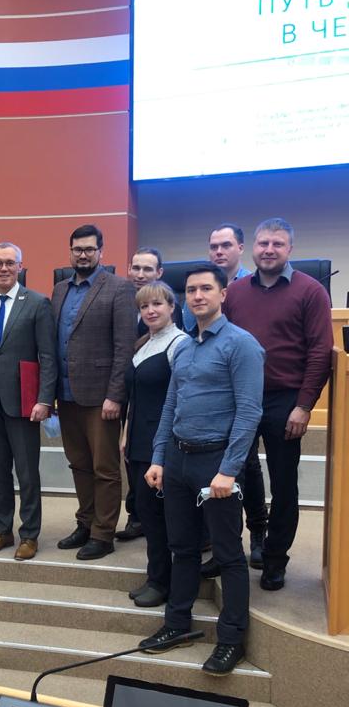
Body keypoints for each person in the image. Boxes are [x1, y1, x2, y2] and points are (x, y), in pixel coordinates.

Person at [139, 265, 264, 675]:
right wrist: (159, 457)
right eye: (191, 290)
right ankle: (178, 624)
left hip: (217, 464)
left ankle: (231, 640)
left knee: (228, 554)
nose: (197, 296)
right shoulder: (184, 348)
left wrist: (229, 470)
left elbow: (249, 413)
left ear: (223, 294)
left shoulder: (241, 345)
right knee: (182, 548)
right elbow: (170, 407)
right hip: (178, 460)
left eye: (206, 288)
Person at [224, 218, 333, 591]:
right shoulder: (235, 293)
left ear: (290, 249)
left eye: (278, 244)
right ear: (253, 247)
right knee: (231, 474)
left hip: (285, 401)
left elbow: (320, 352)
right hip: (239, 397)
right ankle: (229, 551)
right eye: (263, 243)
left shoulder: (310, 291)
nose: (269, 250)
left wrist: (304, 405)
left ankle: (275, 559)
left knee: (284, 484)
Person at [0, 242, 56, 561]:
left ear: (20, 267)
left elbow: (48, 356)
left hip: (25, 403)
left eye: (10, 263)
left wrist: (45, 399)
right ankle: (2, 530)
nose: (4, 268)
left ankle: (29, 534)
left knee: (27, 474)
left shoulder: (37, 303)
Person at [52, 224, 136, 560]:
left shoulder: (119, 288)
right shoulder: (59, 289)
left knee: (105, 468)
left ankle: (103, 533)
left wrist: (115, 395)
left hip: (102, 397)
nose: (83, 254)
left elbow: (124, 347)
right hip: (66, 394)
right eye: (77, 249)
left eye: (89, 249)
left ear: (101, 251)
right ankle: (85, 523)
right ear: (70, 252)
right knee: (79, 464)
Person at [196, 224, 267, 573]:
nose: (219, 251)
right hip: (212, 394)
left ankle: (258, 535)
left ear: (240, 247)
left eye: (226, 245)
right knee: (215, 474)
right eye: (213, 246)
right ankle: (222, 544)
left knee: (245, 466)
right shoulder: (201, 288)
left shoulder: (252, 287)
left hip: (247, 387)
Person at [122, 282, 188, 607]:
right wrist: (125, 434)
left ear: (172, 307)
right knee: (146, 512)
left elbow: (181, 400)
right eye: (144, 306)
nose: (150, 311)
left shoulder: (180, 344)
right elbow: (135, 397)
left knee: (159, 514)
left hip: (161, 444)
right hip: (137, 440)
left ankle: (163, 582)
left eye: (157, 304)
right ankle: (155, 575)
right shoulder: (143, 344)